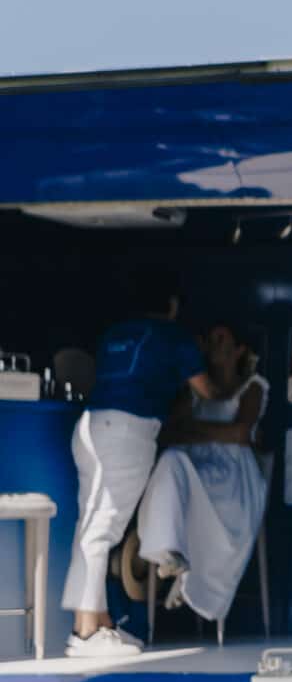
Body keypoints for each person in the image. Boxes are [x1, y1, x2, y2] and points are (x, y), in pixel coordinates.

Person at [63, 274, 213, 660]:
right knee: (102, 530)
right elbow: (208, 393)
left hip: (90, 425)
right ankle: (85, 632)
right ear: (173, 305)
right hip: (128, 429)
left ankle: (99, 622)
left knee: (90, 524)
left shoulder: (116, 332)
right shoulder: (172, 335)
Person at [135, 322, 269, 628]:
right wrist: (215, 433)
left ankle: (190, 577)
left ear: (239, 350)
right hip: (194, 470)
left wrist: (195, 431)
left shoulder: (253, 386)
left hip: (234, 479)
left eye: (221, 338)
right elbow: (170, 432)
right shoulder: (193, 391)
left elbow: (240, 433)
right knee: (170, 460)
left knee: (176, 459)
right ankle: (169, 555)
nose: (211, 343)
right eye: (209, 338)